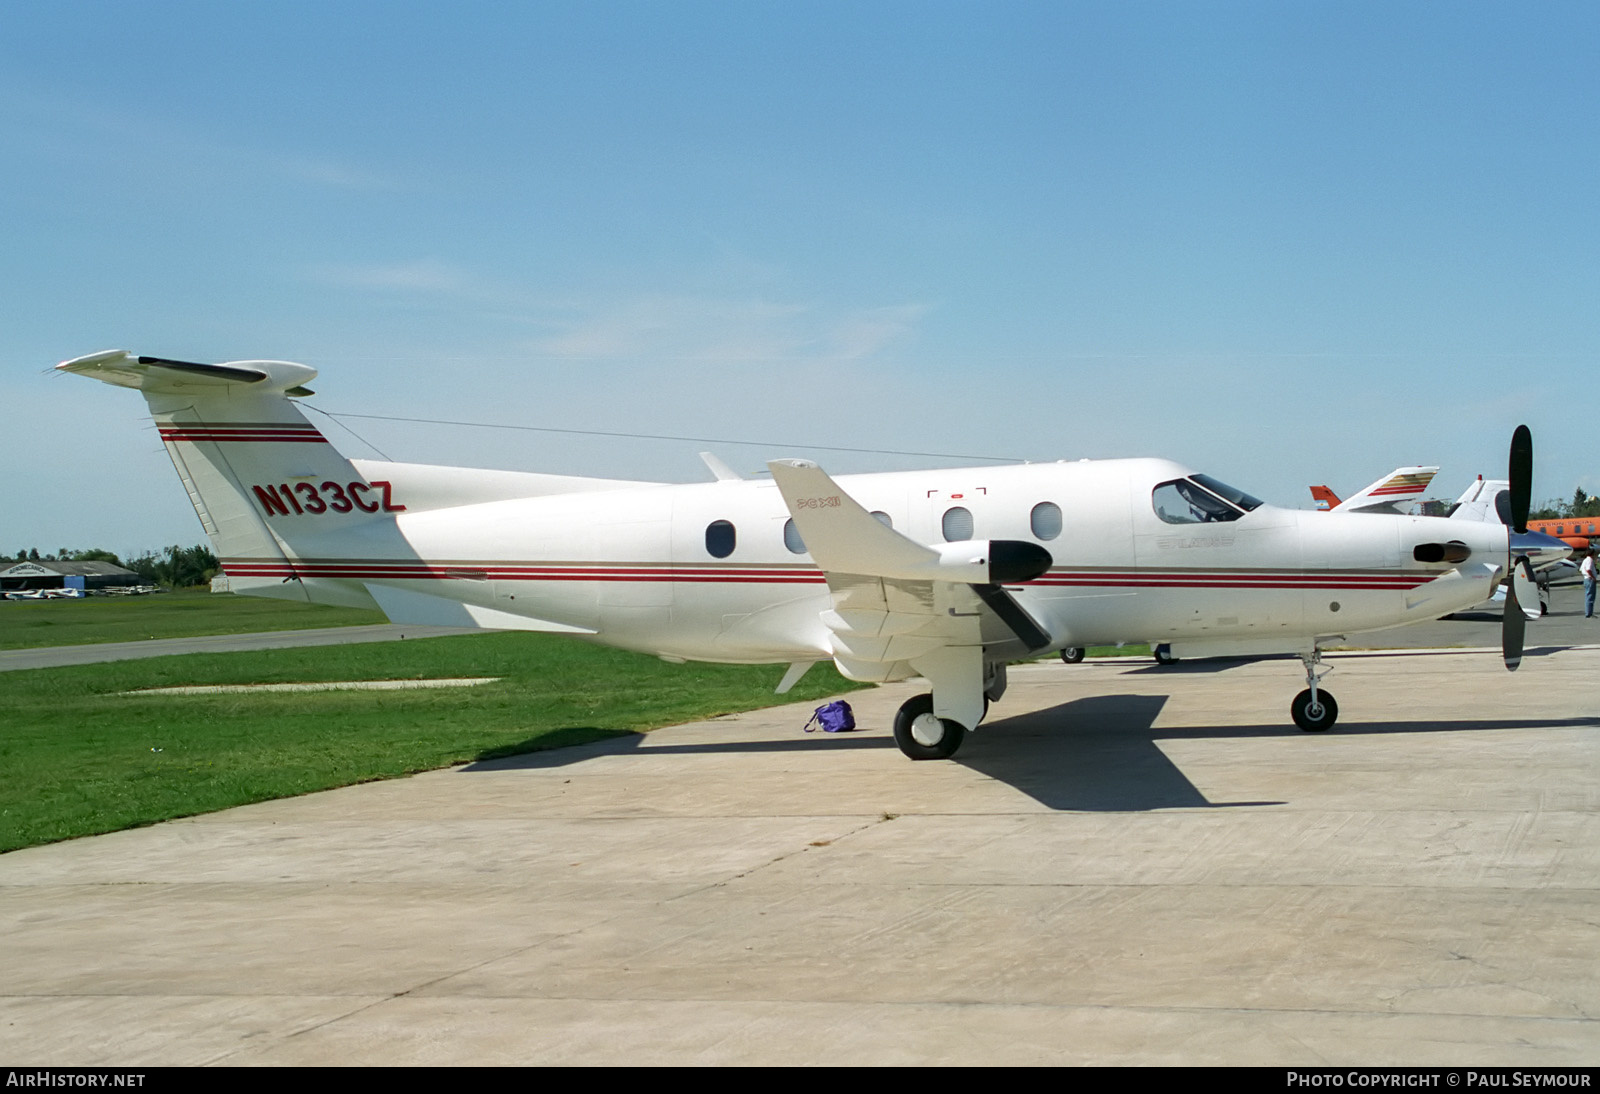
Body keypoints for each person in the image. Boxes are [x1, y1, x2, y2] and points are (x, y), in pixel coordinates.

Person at [1583, 550, 1598, 619]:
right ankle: (1589, 613)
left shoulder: (1585, 560)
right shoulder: (1590, 560)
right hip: (1590, 579)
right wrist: (1593, 577)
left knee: (1588, 595)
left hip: (1586, 579)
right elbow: (1588, 569)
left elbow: (1582, 569)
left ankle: (1588, 612)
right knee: (1591, 596)